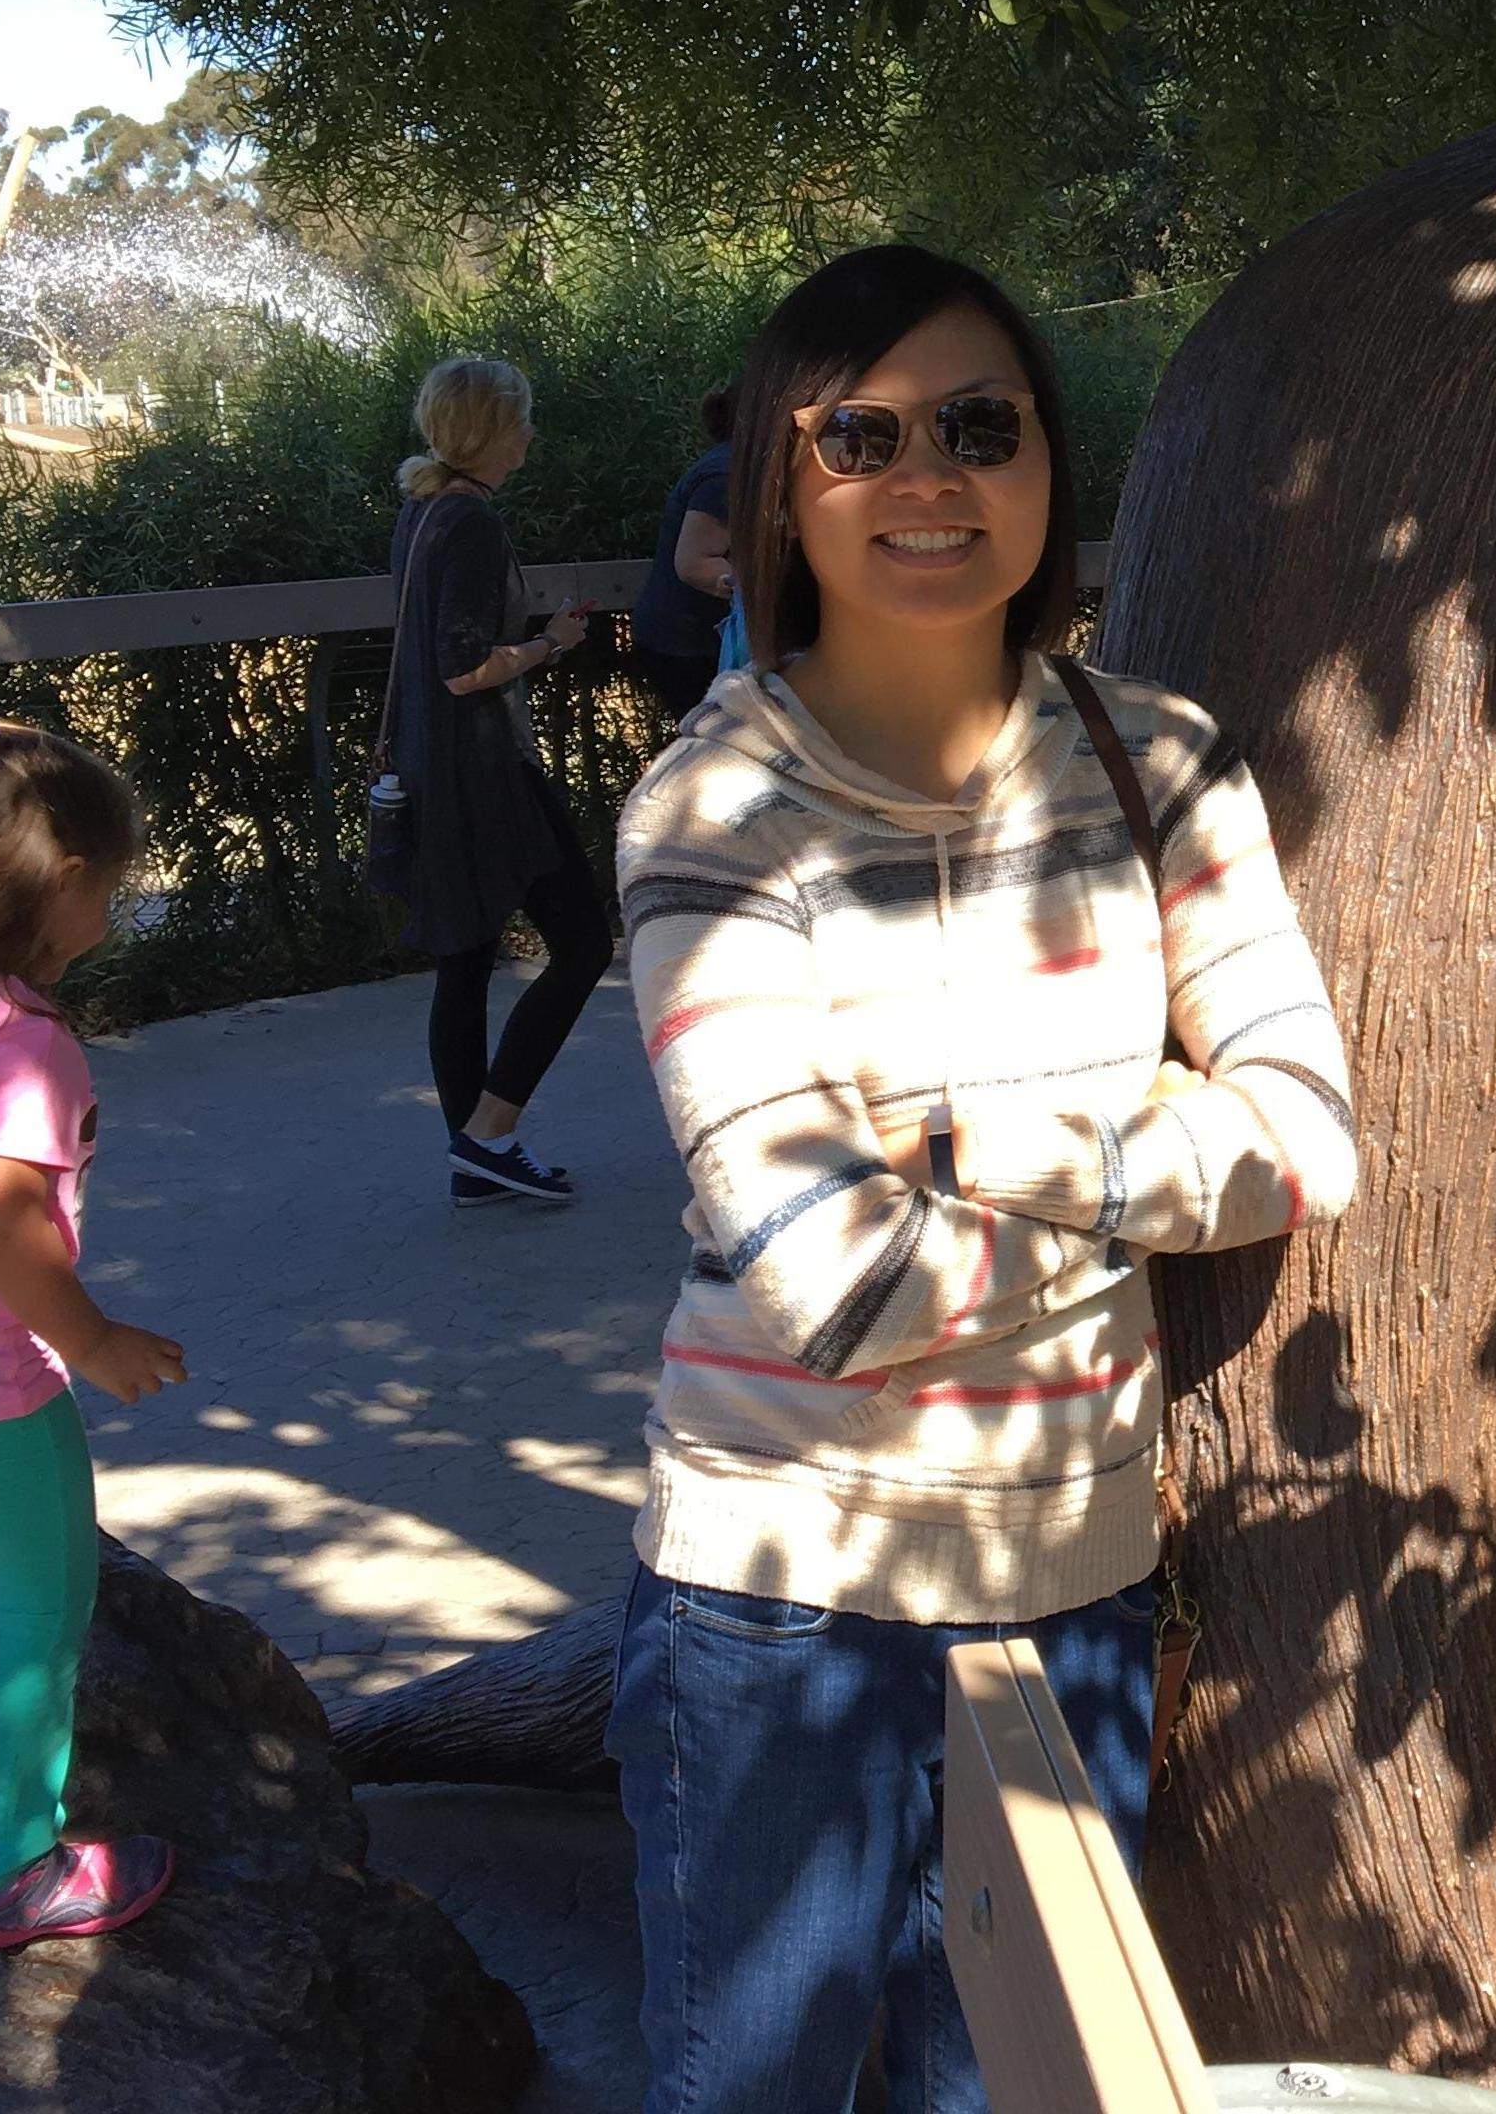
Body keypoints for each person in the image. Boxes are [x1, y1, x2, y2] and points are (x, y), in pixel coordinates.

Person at [612, 243, 1356, 2114]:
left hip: (1071, 1575)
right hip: (780, 1586)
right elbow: (839, 1288)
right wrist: (1153, 1151)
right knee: (755, 2090)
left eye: (976, 424)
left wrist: (976, 1146)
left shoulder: (1157, 761)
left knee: (1014, 2091)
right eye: (857, 437)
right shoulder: (713, 807)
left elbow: (1306, 1139)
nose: (926, 474)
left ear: (1044, 461)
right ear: (781, 488)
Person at [0, 721, 180, 1950]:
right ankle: (13, 1863)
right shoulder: (26, 1044)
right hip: (2, 1394)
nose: (110, 909)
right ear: (63, 883)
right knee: (37, 1612)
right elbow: (4, 1221)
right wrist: (95, 1340)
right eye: (110, 885)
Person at [389, 356, 615, 1210]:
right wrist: (551, 642)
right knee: (584, 944)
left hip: (433, 769)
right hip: (485, 775)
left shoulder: (421, 511)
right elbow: (463, 668)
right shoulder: (472, 521)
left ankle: (475, 1160)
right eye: (520, 419)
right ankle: (489, 1134)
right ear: (490, 430)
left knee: (465, 959)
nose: (529, 435)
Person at [631, 383, 738, 723]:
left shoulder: (731, 463)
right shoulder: (727, 473)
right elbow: (694, 563)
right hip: (689, 646)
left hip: (688, 641)